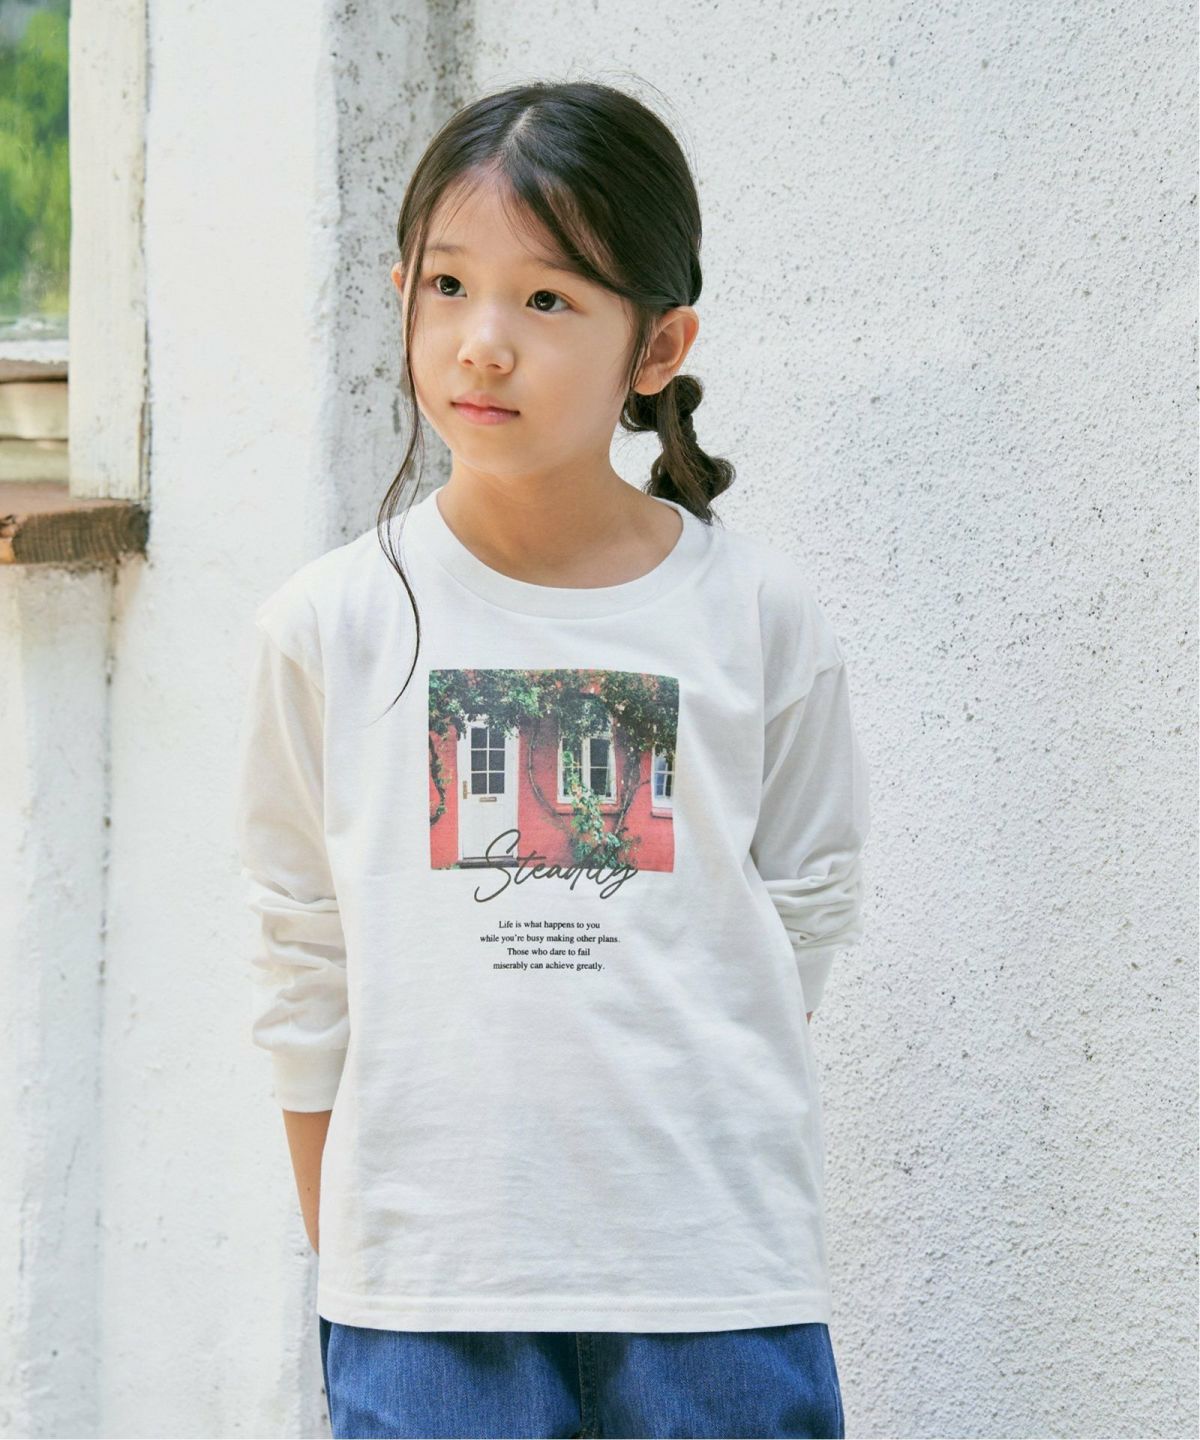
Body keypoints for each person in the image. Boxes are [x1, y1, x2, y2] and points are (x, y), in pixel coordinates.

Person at [233, 77, 870, 1440]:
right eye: (448, 285)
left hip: (716, 1296)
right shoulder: (328, 627)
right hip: (425, 1308)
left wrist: (670, 1124)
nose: (483, 344)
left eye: (546, 298)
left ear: (658, 345)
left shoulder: (757, 617)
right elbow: (301, 953)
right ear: (402, 295)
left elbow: (801, 911)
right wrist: (361, 1252)